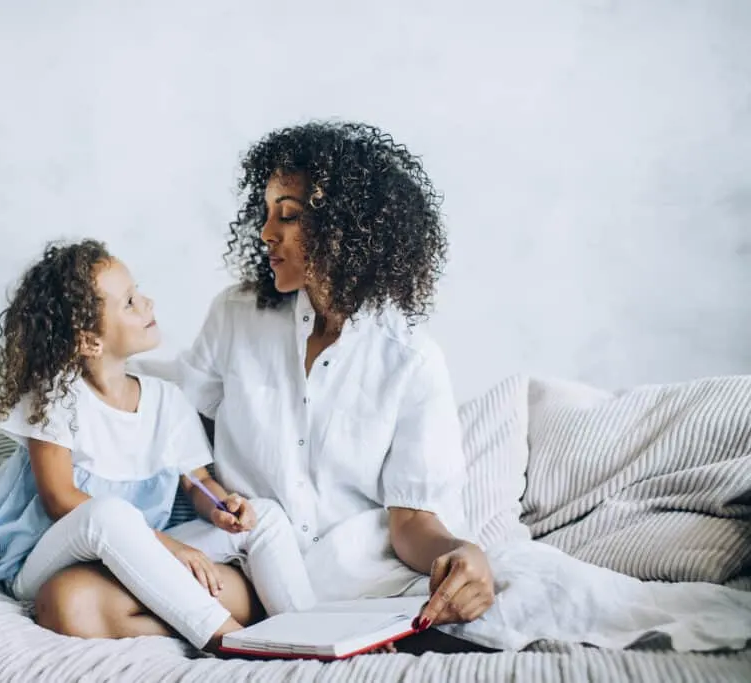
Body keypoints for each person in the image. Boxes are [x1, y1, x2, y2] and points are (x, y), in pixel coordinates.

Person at [34, 121, 495, 641]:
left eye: (289, 216)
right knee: (68, 599)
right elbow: (181, 435)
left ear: (348, 231)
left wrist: (460, 552)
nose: (266, 232)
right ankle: (271, 636)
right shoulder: (237, 314)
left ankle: (308, 634)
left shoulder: (411, 359)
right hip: (244, 566)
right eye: (267, 212)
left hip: (351, 577)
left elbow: (412, 525)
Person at [0, 239, 316, 652]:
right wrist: (169, 547)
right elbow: (60, 500)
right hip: (49, 555)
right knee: (107, 512)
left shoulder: (167, 400)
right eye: (128, 302)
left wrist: (221, 507)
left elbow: (195, 482)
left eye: (137, 292)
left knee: (265, 516)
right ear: (89, 341)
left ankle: (315, 633)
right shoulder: (56, 398)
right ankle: (226, 637)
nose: (147, 303)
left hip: (141, 555)